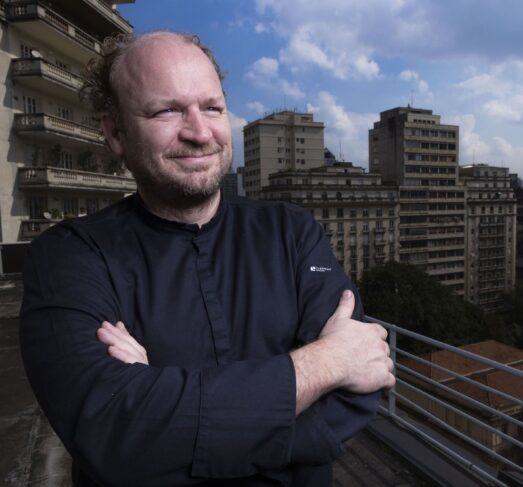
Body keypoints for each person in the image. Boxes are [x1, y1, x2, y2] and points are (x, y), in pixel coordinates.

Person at [19, 31, 395, 486]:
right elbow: (112, 431)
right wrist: (326, 364)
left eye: (212, 107)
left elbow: (360, 389)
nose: (199, 133)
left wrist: (165, 413)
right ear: (115, 132)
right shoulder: (67, 258)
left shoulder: (293, 232)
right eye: (167, 110)